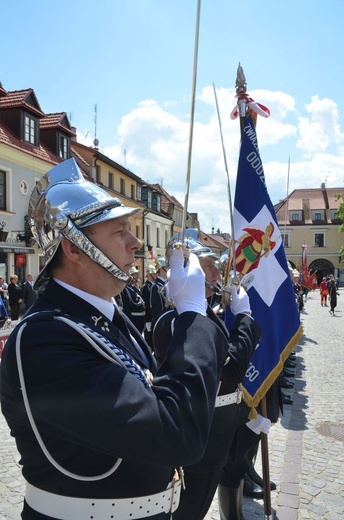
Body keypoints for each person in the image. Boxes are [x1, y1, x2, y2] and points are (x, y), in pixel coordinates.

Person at [0, 158, 231, 520]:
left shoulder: (104, 315)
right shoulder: (43, 339)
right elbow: (176, 431)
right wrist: (191, 317)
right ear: (73, 248)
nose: (136, 243)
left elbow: (156, 389)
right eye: (119, 231)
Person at [153, 241, 261, 520]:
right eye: (208, 266)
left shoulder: (204, 314)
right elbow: (231, 370)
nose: (216, 272)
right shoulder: (179, 320)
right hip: (202, 435)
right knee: (189, 510)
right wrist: (246, 317)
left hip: (217, 432)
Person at [121, 266, 146, 334]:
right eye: (135, 274)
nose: (138, 275)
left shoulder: (135, 289)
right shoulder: (126, 290)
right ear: (131, 276)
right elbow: (126, 309)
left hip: (140, 320)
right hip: (134, 321)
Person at [141, 265, 157, 348]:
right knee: (149, 342)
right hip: (149, 318)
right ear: (150, 275)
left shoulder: (153, 286)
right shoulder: (146, 287)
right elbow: (146, 304)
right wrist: (147, 320)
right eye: (154, 273)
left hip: (153, 317)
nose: (156, 275)